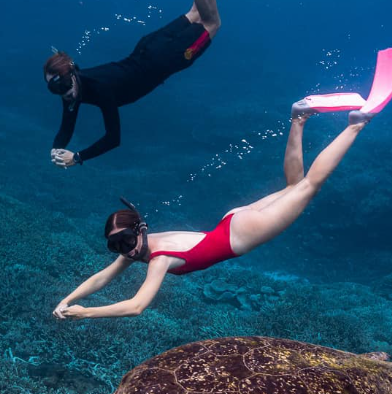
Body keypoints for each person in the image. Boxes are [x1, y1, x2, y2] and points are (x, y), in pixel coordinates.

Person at [44, 0, 308, 169]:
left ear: (72, 73)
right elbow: (66, 127)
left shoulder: (99, 89)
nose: (65, 93)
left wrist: (77, 157)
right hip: (148, 46)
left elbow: (114, 138)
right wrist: (56, 149)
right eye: (57, 90)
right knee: (196, 12)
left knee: (212, 24)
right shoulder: (73, 90)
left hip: (165, 59)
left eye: (64, 86)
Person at [53, 109, 371, 320]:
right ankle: (299, 118)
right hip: (232, 221)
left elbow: (136, 306)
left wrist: (86, 313)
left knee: (310, 186)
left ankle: (356, 124)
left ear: (139, 230)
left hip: (242, 233)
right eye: (116, 246)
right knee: (294, 185)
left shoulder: (159, 258)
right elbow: (101, 277)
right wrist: (66, 301)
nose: (125, 250)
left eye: (125, 240)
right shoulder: (141, 246)